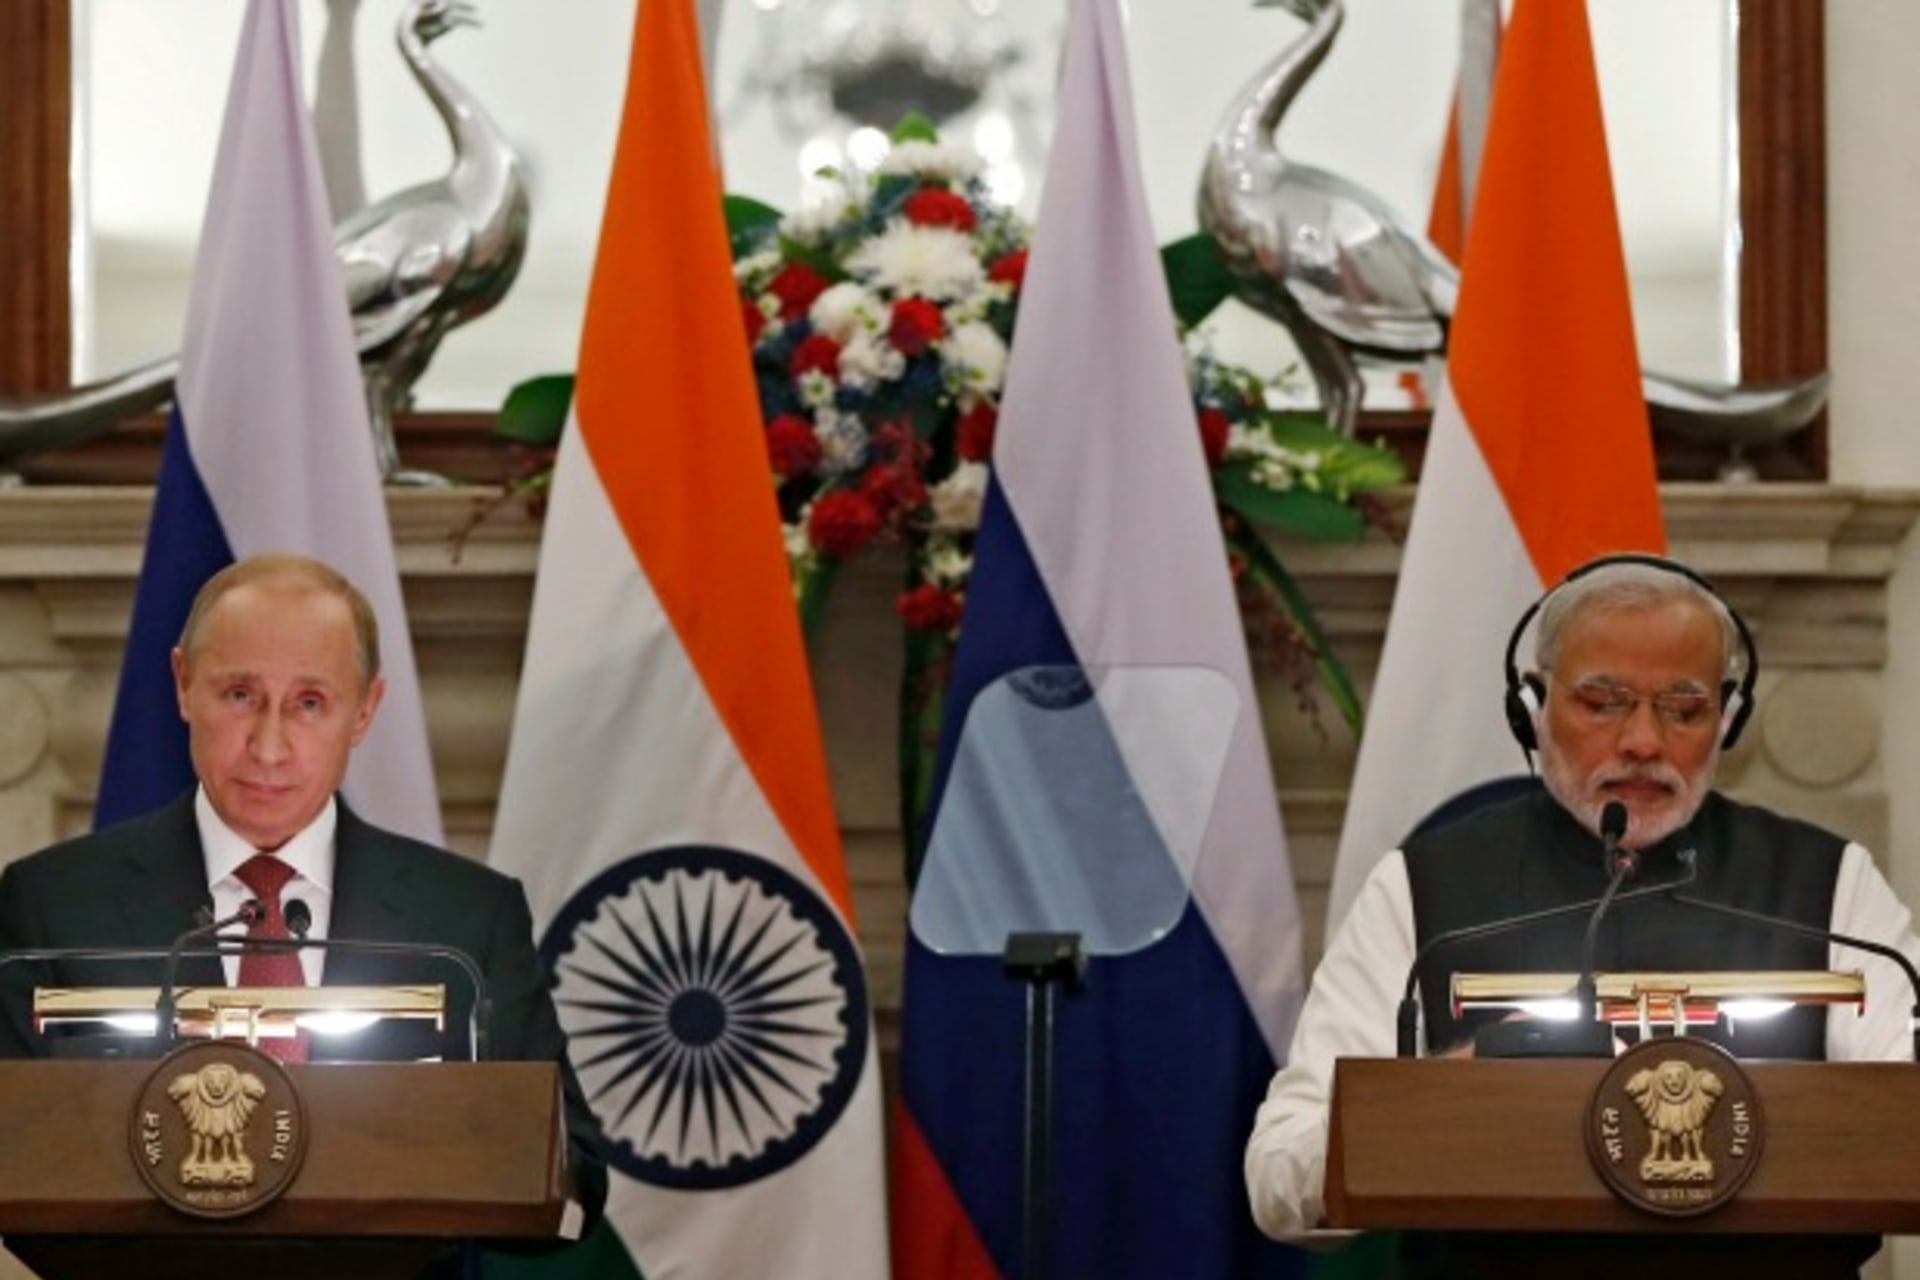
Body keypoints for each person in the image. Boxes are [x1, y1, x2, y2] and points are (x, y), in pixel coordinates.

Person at [1244, 555, 1920, 1266]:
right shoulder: (1424, 885)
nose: (1643, 741)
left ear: (1727, 718)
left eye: (1684, 709)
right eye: (1603, 703)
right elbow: (1278, 1176)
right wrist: (1447, 1093)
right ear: (1533, 709)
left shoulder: (1825, 883)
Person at [0, 554, 607, 1251]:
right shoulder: (53, 901)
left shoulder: (468, 919)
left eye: (309, 703)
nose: (269, 747)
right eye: (239, 695)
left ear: (365, 710)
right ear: (182, 685)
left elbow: (577, 1180)